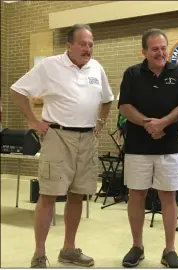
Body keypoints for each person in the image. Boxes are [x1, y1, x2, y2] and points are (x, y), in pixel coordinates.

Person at [10, 24, 114, 268]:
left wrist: (99, 123)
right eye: (82, 43)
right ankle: (39, 254)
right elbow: (17, 91)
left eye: (90, 44)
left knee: (77, 195)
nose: (87, 48)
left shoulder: (96, 68)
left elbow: (108, 100)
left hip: (87, 139)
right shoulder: (50, 66)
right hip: (58, 136)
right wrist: (33, 121)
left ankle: (68, 249)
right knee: (48, 195)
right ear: (69, 45)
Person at [118, 28, 178, 268]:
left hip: (169, 146)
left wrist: (163, 123)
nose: (160, 53)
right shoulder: (131, 73)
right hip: (138, 146)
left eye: (163, 48)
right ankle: (137, 246)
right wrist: (147, 123)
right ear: (144, 51)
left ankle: (170, 250)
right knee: (136, 195)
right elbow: (124, 106)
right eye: (155, 49)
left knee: (168, 197)